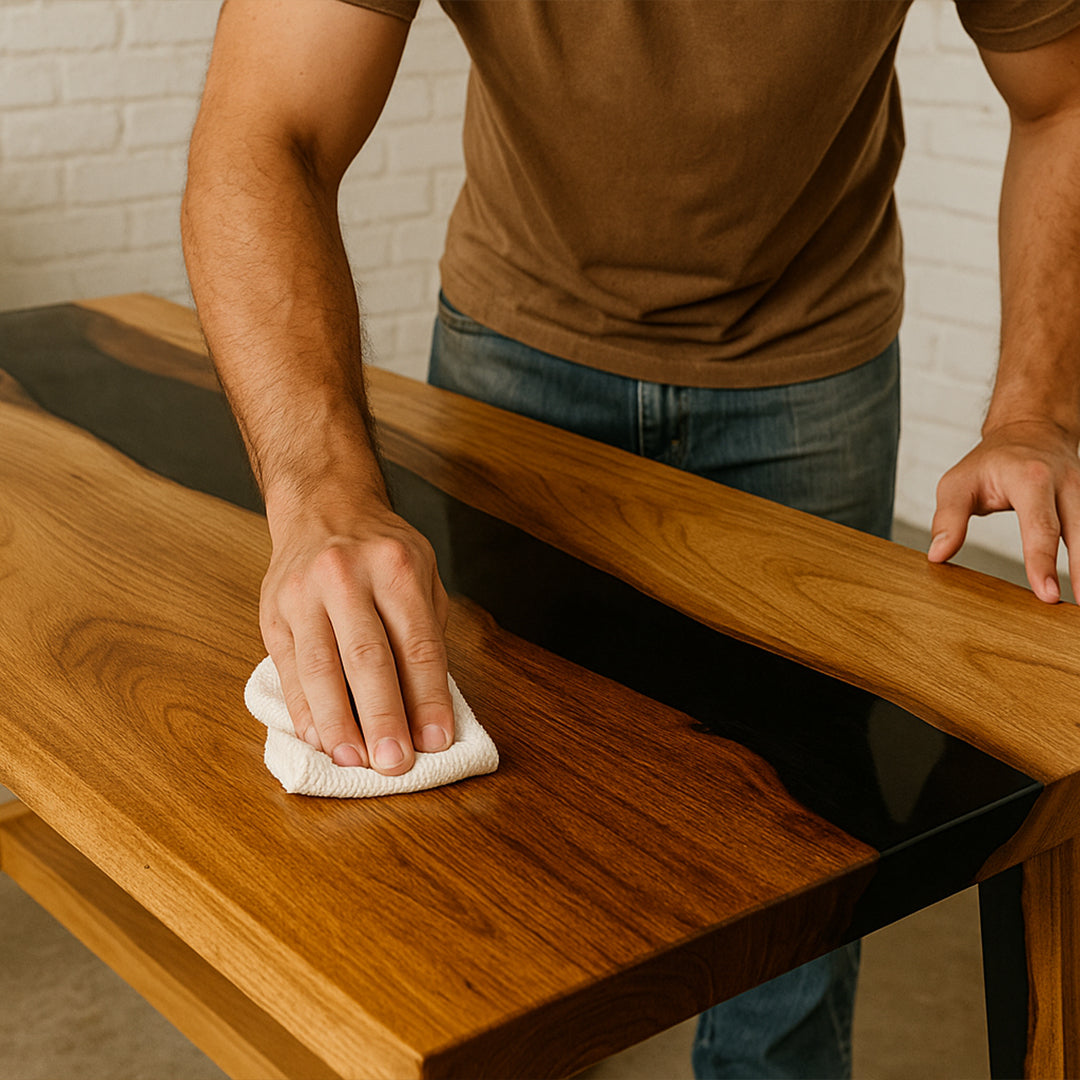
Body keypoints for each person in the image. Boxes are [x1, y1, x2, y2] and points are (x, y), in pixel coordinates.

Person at [181, 2, 1080, 1076]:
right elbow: (265, 128)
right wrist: (320, 489)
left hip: (813, 376)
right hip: (515, 355)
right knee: (494, 840)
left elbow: (1064, 93)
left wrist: (1035, 406)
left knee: (801, 826)